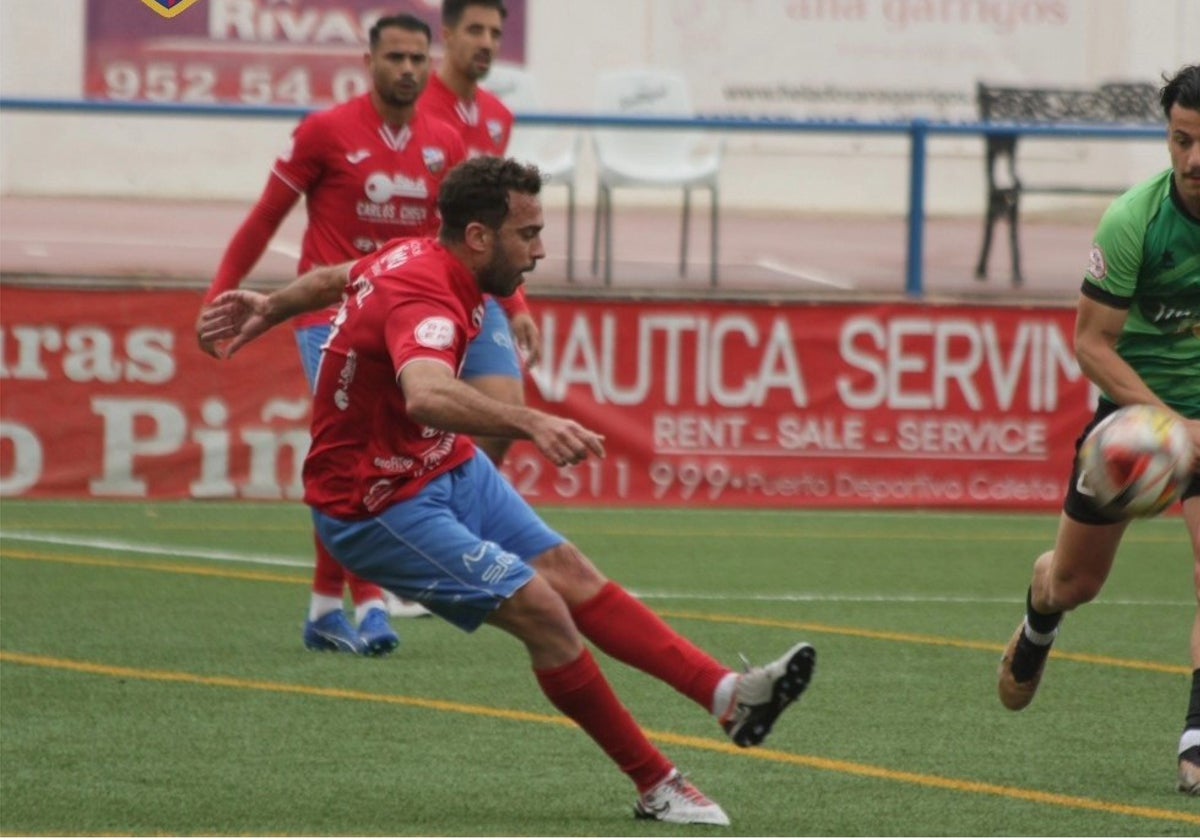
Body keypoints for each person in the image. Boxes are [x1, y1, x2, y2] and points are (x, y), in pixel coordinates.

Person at [198, 156, 817, 825]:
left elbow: (336, 276)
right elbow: (428, 392)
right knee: (545, 613)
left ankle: (728, 695)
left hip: (439, 465)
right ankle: (657, 784)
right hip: (375, 506)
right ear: (477, 237)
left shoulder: (415, 253)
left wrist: (271, 304)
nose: (540, 249)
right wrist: (531, 421)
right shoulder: (427, 298)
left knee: (570, 572)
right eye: (528, 234)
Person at [196, 13, 467, 653]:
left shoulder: (446, 141)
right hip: (328, 315)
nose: (406, 69)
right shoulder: (325, 132)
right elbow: (265, 218)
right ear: (368, 61)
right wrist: (218, 298)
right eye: (394, 57)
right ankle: (368, 604)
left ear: (431, 64)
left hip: (402, 317)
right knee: (354, 451)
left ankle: (326, 609)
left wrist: (510, 306)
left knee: (367, 458)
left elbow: (464, 238)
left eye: (416, 58)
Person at [995, 63, 1200, 795]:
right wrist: (1171, 425)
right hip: (1136, 418)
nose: (1194, 159)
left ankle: (1197, 739)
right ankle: (1039, 620)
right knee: (1076, 581)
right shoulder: (1132, 221)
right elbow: (1091, 344)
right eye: (1181, 141)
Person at [420, 0, 537, 467]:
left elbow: (493, 222)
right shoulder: (417, 105)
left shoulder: (496, 117)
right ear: (447, 34)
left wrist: (517, 304)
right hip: (421, 283)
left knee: (505, 411)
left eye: (494, 33)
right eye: (475, 30)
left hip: (474, 287)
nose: (486, 42)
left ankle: (453, 521)